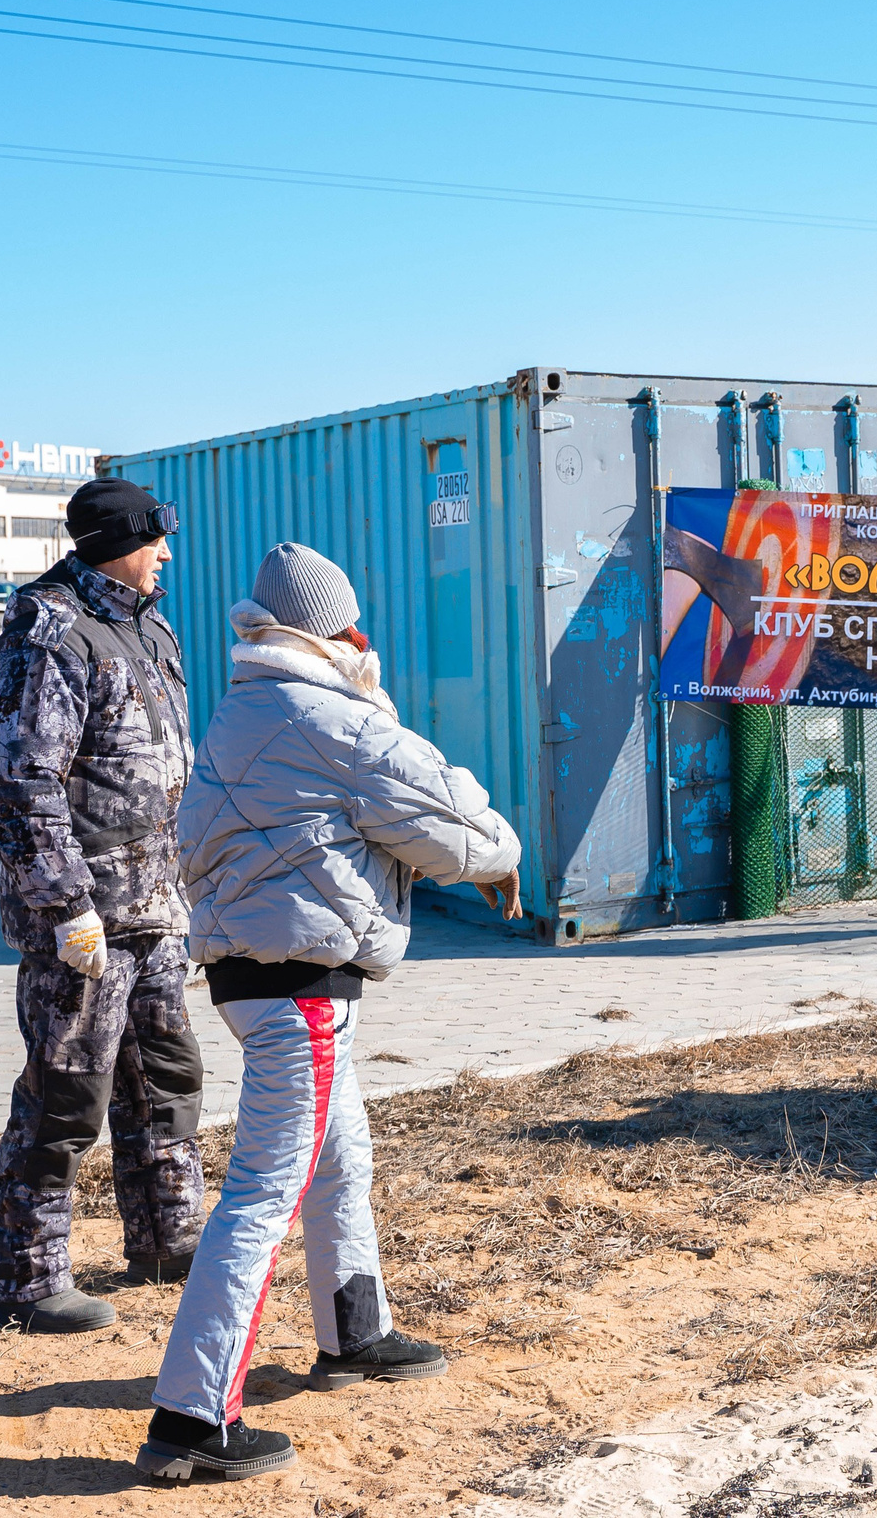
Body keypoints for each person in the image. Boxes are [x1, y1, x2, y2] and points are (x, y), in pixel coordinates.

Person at [136, 542, 524, 1483]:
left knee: (340, 1151)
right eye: (353, 625)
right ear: (334, 631)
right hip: (302, 988)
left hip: (251, 976)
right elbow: (455, 820)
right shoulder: (338, 720)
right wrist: (503, 858)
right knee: (266, 1189)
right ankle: (192, 1416)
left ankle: (357, 1329)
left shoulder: (238, 709)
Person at [0, 478, 205, 1334]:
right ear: (120, 540)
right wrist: (66, 904)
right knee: (66, 1092)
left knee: (164, 1078)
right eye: (157, 541)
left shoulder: (145, 621)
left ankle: (165, 1236)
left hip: (156, 904)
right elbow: (20, 781)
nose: (167, 555)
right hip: (87, 921)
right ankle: (29, 1281)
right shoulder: (51, 633)